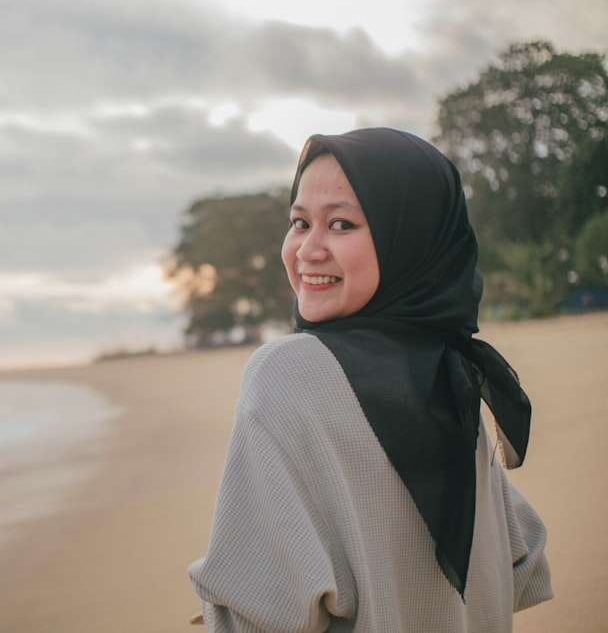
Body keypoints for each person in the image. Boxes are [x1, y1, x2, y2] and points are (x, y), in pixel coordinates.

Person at [188, 128, 553, 632]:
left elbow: (262, 615)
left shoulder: (288, 373)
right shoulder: (451, 369)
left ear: (410, 235)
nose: (307, 250)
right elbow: (522, 559)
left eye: (341, 224)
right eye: (299, 223)